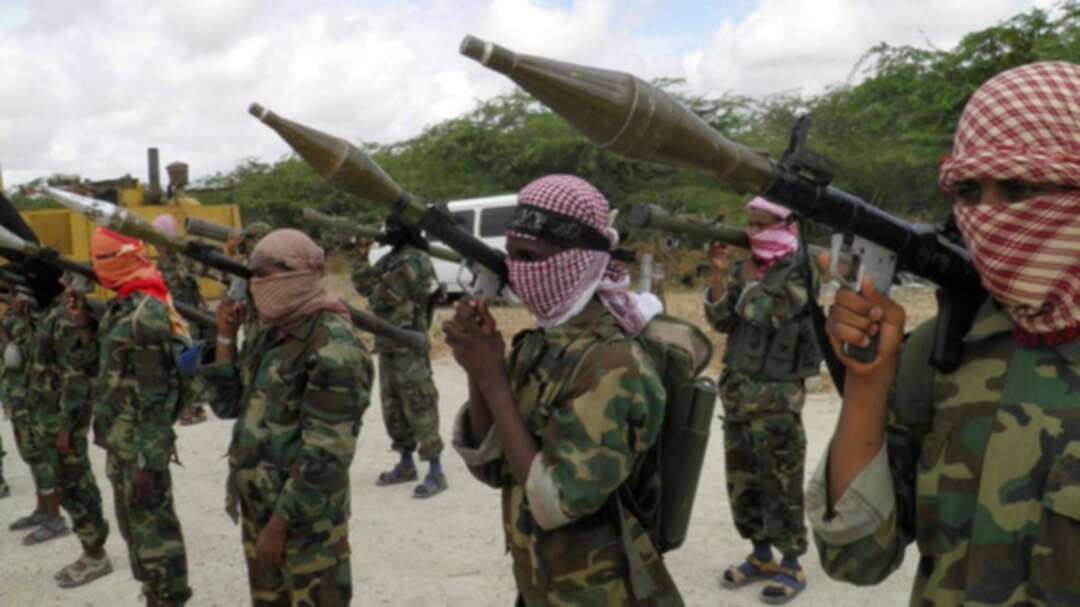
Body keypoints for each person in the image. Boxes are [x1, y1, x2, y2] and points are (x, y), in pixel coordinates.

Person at [807, 61, 1080, 605]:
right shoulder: (943, 350)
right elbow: (857, 559)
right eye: (969, 192)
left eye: (1020, 188)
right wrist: (868, 382)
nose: (989, 216)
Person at [448, 174, 681, 606]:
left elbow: (556, 502)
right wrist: (478, 367)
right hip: (540, 584)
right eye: (511, 255)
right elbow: (493, 469)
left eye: (529, 256)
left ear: (578, 259)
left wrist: (494, 380)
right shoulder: (540, 345)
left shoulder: (614, 365)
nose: (516, 271)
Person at [201, 229, 372, 606]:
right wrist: (225, 338)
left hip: (306, 523)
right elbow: (229, 406)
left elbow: (327, 454)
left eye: (265, 274)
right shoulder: (271, 332)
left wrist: (280, 525)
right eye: (254, 275)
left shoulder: (333, 344)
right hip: (261, 508)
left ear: (298, 273)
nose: (257, 284)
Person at [704, 197, 820, 603]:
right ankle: (760, 554)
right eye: (750, 224)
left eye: (762, 223)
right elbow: (721, 320)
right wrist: (720, 277)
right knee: (743, 481)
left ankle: (791, 563)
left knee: (780, 481)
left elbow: (768, 314)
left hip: (777, 397)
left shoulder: (800, 271)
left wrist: (748, 279)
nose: (753, 231)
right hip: (737, 393)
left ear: (787, 225)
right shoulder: (745, 269)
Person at [91, 227, 192, 606]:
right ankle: (153, 592)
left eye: (99, 260)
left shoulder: (145, 314)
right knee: (135, 531)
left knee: (156, 535)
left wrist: (150, 462)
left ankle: (169, 598)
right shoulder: (123, 306)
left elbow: (155, 394)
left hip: (140, 451)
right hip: (121, 443)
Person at [352, 215, 447, 498]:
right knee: (392, 406)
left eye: (392, 229)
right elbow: (363, 285)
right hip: (388, 346)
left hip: (410, 345)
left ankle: (436, 470)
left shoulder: (415, 259)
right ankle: (405, 463)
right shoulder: (393, 258)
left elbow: (382, 297)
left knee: (420, 403)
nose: (387, 233)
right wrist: (360, 257)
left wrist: (374, 288)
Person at [40, 272, 113, 586]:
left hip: (67, 417)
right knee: (67, 482)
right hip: (54, 413)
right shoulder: (55, 313)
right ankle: (90, 550)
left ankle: (95, 553)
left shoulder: (71, 318)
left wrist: (66, 427)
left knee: (76, 482)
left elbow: (76, 376)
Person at [4, 292, 67, 536]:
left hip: (33, 396)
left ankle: (55, 516)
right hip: (17, 395)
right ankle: (42, 508)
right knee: (30, 454)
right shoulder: (13, 313)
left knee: (40, 456)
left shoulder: (37, 313)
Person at [151, 214, 208, 425]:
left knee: (188, 358)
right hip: (174, 314)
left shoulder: (178, 257)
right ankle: (187, 405)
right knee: (179, 358)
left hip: (186, 314)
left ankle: (194, 407)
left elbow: (187, 282)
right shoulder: (164, 260)